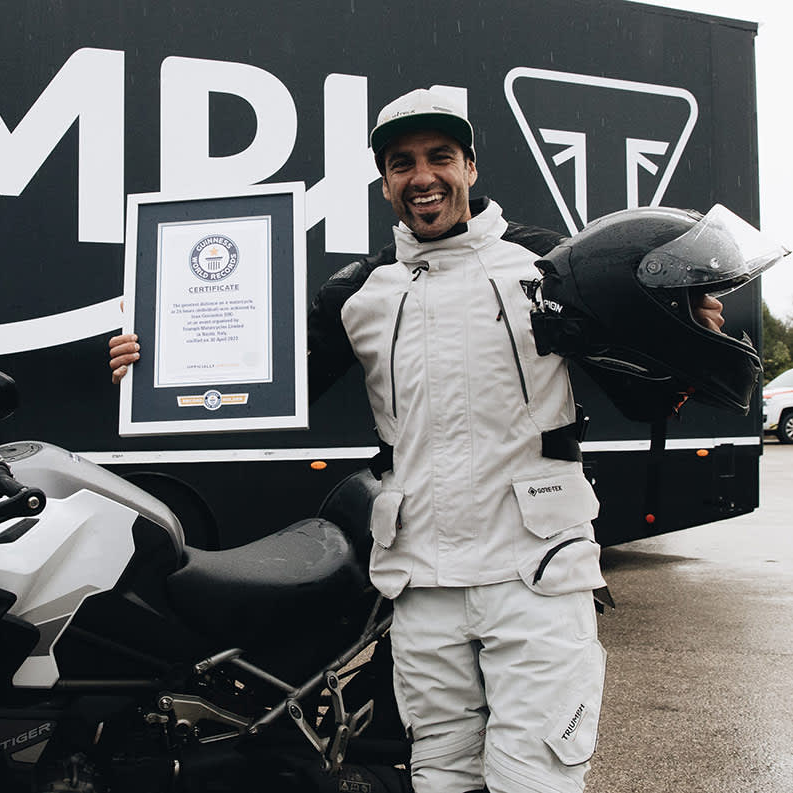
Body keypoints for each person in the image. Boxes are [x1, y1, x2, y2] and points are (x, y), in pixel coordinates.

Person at [108, 89, 726, 793]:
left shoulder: (549, 264)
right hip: (422, 577)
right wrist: (154, 361)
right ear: (384, 183)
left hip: (537, 568)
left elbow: (644, 393)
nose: (422, 176)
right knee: (439, 777)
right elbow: (262, 385)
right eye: (402, 163)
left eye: (440, 157)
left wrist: (691, 338)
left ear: (469, 165)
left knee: (536, 778)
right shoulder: (359, 289)